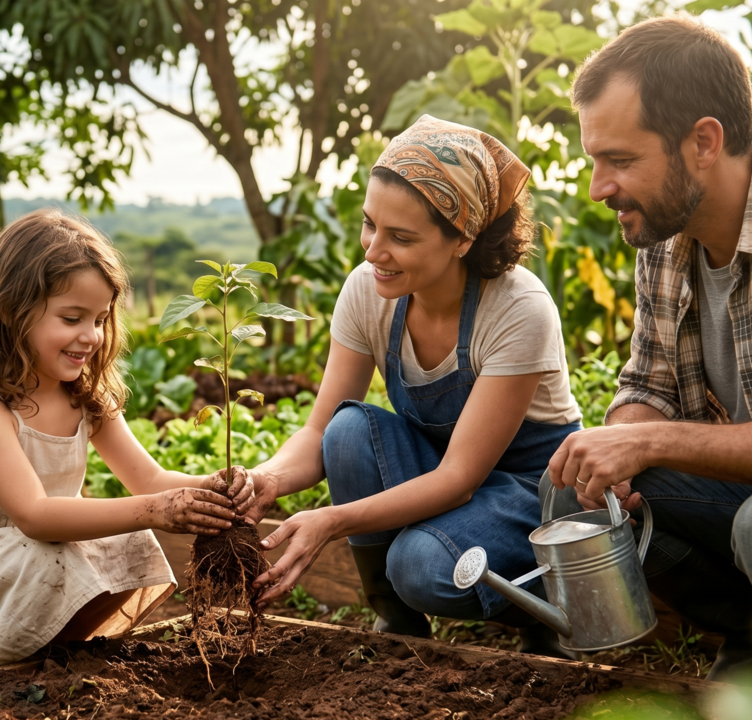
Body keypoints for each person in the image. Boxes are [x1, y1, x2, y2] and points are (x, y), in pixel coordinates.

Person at [544, 15, 752, 682]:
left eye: (621, 160)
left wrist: (646, 443)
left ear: (703, 141)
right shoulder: (667, 232)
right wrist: (618, 452)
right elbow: (648, 385)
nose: (599, 188)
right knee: (573, 493)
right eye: (595, 161)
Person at [246, 115, 584, 654]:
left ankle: (546, 610)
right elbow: (316, 433)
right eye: (370, 225)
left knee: (421, 565)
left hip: (527, 491)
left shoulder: (518, 308)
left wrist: (332, 520)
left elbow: (459, 478)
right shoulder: (368, 291)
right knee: (346, 431)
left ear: (462, 239)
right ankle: (397, 625)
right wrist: (264, 480)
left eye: (400, 238)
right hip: (447, 472)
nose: (372, 251)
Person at [0, 209, 251, 673]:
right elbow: (35, 516)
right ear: (12, 312)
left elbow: (149, 480)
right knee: (54, 554)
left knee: (133, 540)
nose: (91, 336)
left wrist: (210, 488)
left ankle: (59, 653)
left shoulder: (84, 397)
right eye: (71, 318)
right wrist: (157, 508)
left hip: (32, 558)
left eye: (100, 319)